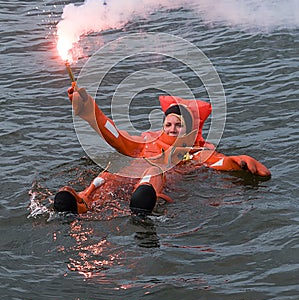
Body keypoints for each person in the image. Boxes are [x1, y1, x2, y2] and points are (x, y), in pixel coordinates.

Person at [53, 87, 271, 215]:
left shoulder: (194, 151)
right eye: (169, 125)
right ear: (162, 126)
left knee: (154, 172)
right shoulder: (145, 142)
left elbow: (218, 162)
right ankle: (84, 200)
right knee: (113, 171)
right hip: (126, 176)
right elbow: (116, 136)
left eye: (179, 126)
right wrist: (90, 111)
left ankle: (146, 197)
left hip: (154, 181)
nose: (173, 130)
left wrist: (239, 161)